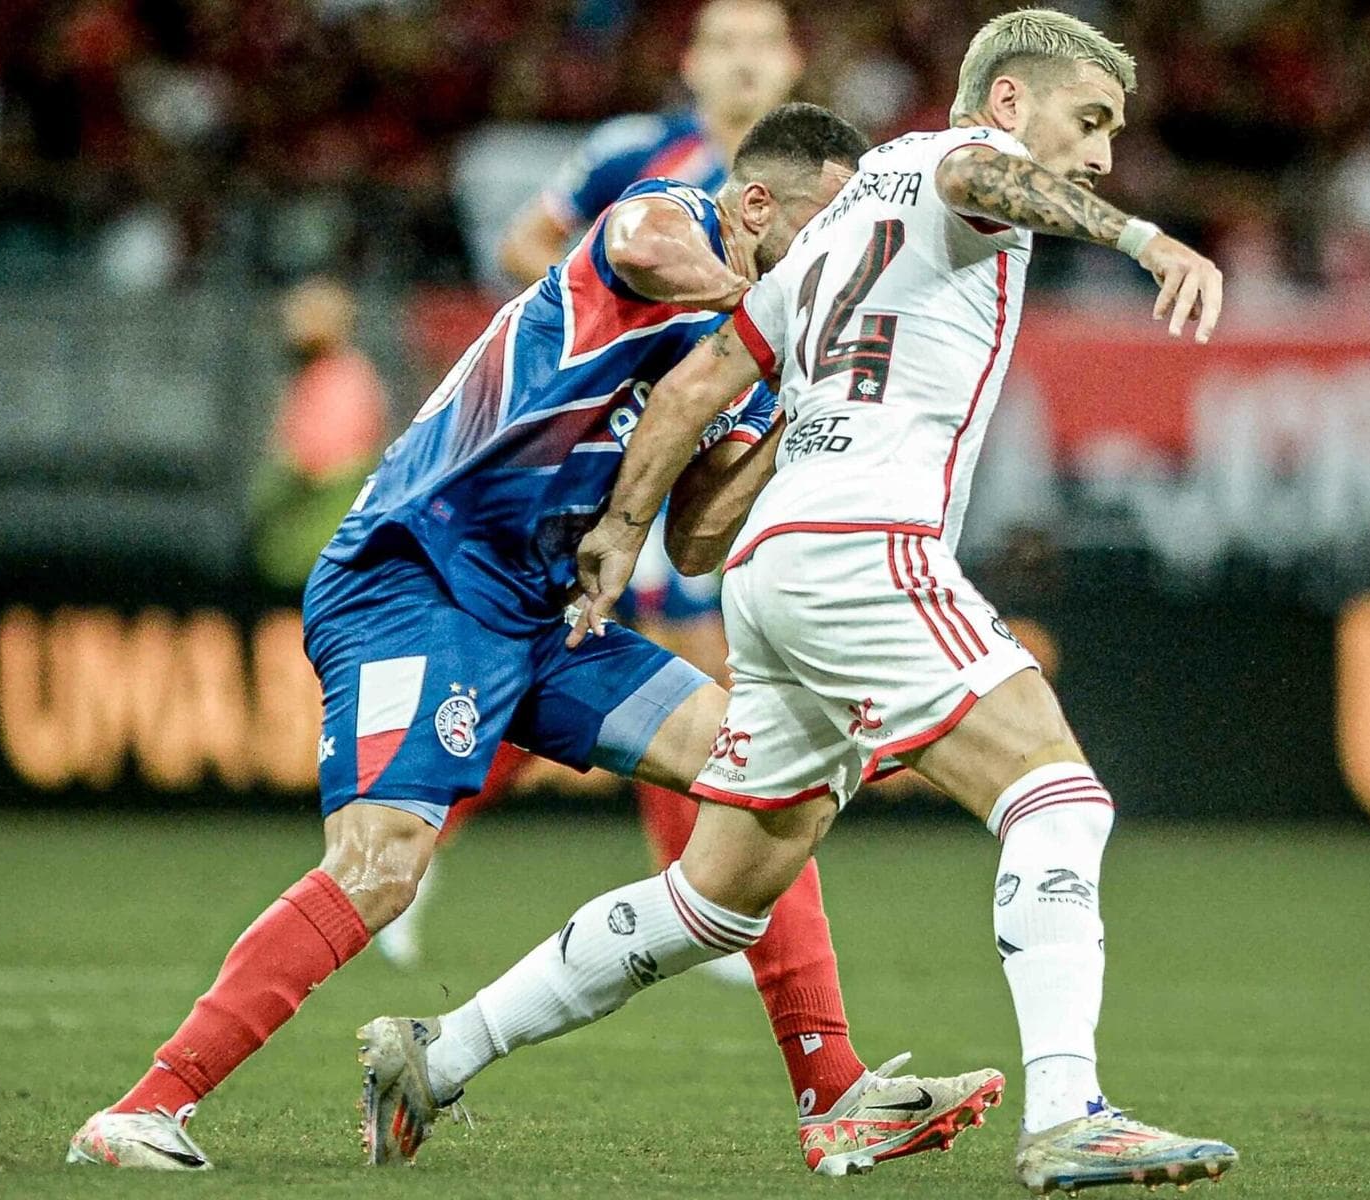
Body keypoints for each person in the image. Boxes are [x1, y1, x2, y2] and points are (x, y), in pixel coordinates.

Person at [356, 11, 1241, 1195]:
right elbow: (981, 168)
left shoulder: (842, 218)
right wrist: (1143, 239)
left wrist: (624, 533)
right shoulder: (949, 164)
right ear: (1013, 103)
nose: (1101, 157)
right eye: (1089, 124)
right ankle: (1071, 1112)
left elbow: (704, 383)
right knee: (1058, 799)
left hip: (771, 570)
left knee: (716, 894)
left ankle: (436, 1051)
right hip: (866, 550)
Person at [66, 103, 1003, 1178]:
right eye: (824, 229)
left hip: (551, 614)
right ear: (753, 205)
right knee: (380, 869)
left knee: (765, 780)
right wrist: (767, 307)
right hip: (416, 579)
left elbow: (694, 541)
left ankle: (834, 1095)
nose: (841, 259)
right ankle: (144, 1108)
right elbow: (640, 244)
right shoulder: (666, 222)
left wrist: (796, 412)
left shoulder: (748, 364)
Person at [385, 0, 806, 979]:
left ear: (791, 65)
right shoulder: (639, 158)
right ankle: (695, 903)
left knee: (601, 667)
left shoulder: (809, 183)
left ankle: (419, 840)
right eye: (725, 45)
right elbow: (524, 247)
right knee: (676, 660)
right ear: (692, 64)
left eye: (763, 45)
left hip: (718, 439)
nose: (744, 65)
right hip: (616, 444)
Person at [249, 278, 390, 590]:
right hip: (299, 546)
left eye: (306, 311)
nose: (292, 322)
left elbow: (319, 461)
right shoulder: (313, 376)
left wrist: (279, 479)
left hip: (321, 547)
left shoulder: (344, 378)